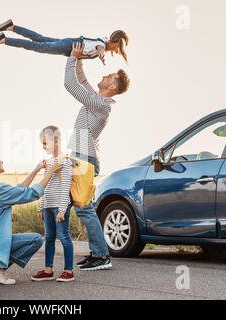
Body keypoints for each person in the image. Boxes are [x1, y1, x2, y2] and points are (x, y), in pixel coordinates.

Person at [64, 42, 130, 271]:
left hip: (84, 159)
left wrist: (71, 57)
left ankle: (102, 257)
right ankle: (95, 254)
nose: (105, 74)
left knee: (84, 208)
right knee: (68, 206)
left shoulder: (102, 104)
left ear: (113, 85)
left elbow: (71, 84)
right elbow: (81, 80)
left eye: (109, 75)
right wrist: (81, 57)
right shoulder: (96, 97)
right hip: (79, 157)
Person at [0, 150, 63, 284]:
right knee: (35, 240)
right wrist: (51, 170)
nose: (1, 161)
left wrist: (36, 170)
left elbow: (19, 190)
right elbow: (32, 193)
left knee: (17, 240)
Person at [31, 126, 75, 282]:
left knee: (64, 237)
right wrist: (41, 206)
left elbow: (66, 186)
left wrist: (62, 209)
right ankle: (48, 270)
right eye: (42, 144)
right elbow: (45, 185)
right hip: (49, 206)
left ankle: (68, 271)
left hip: (59, 206)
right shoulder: (50, 162)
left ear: (56, 141)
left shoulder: (64, 161)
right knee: (49, 238)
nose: (44, 147)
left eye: (45, 143)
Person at [0, 19, 129, 65]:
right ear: (117, 43)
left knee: (39, 39)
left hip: (68, 44)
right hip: (67, 46)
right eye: (119, 48)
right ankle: (3, 40)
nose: (117, 51)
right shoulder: (102, 45)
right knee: (37, 46)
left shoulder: (102, 40)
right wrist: (101, 55)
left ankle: (11, 26)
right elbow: (99, 48)